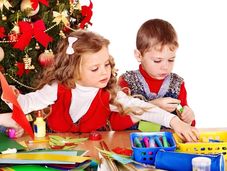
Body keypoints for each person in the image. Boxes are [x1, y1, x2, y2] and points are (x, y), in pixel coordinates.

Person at [3, 30, 198, 142]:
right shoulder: (57, 88)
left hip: (92, 154)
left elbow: (142, 109)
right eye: (95, 68)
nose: (105, 72)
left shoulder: (108, 94)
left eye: (106, 64)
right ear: (73, 70)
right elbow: (24, 104)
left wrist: (174, 121)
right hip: (55, 154)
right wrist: (11, 98)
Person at [119, 18, 196, 128]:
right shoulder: (126, 81)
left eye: (171, 60)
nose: (165, 67)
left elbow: (188, 124)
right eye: (157, 61)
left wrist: (189, 117)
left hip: (168, 143)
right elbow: (116, 123)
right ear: (139, 55)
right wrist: (151, 106)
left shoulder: (177, 84)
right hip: (131, 142)